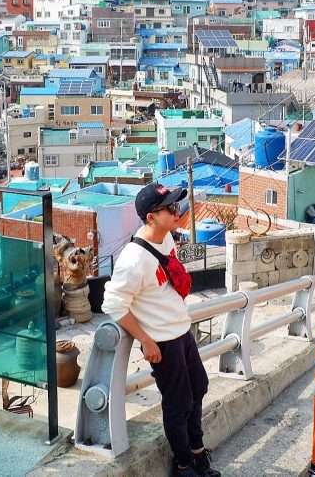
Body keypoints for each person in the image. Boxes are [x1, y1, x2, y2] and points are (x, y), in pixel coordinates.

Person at [101, 183, 220, 477]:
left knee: (199, 388)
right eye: (169, 207)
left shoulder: (166, 240)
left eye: (175, 205)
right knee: (177, 404)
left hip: (182, 332)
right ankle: (183, 465)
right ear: (151, 217)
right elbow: (113, 304)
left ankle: (196, 451)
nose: (176, 210)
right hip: (164, 342)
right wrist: (145, 339)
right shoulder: (133, 259)